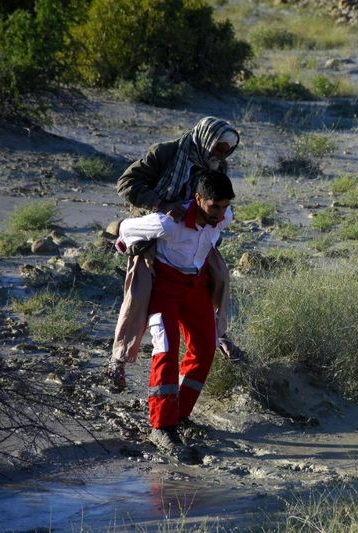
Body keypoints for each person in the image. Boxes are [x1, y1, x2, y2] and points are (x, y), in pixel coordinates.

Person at [107, 116, 242, 390]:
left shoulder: (216, 165)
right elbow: (126, 184)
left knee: (220, 279)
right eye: (218, 147)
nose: (221, 154)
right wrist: (162, 204)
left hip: (196, 235)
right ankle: (117, 361)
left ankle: (219, 335)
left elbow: (216, 199)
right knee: (137, 297)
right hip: (156, 232)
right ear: (205, 138)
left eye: (226, 150)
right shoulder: (166, 153)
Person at [115, 169, 234, 456]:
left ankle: (179, 413)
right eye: (214, 206)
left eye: (225, 206)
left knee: (205, 348)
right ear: (198, 199)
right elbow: (125, 230)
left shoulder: (224, 218)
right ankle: (161, 426)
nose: (221, 214)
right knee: (165, 350)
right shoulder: (168, 224)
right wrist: (130, 246)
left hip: (196, 289)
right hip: (164, 291)